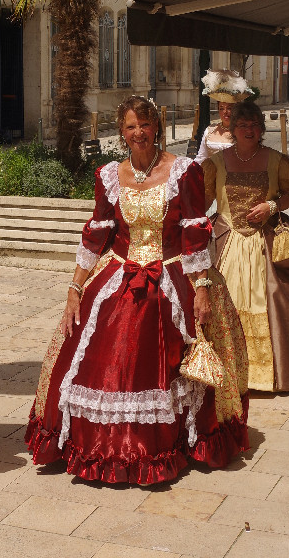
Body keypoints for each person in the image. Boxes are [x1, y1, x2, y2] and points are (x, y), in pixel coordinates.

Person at [26, 96, 249, 485]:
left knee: (164, 357)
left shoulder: (183, 171)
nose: (138, 133)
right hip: (119, 273)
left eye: (144, 125)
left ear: (156, 127)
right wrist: (74, 288)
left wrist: (200, 288)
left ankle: (173, 441)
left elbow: (194, 232)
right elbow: (97, 234)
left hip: (172, 271)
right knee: (100, 354)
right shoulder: (110, 175)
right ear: (122, 132)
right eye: (130, 127)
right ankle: (99, 445)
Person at [202, 100, 289, 392]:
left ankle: (264, 376)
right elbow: (204, 201)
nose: (249, 130)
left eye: (254, 125)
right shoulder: (216, 164)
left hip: (268, 243)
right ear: (232, 129)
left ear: (261, 129)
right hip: (226, 243)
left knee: (278, 300)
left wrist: (272, 206)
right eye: (242, 125)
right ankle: (226, 371)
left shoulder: (275, 160)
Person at [196, 69, 254, 163]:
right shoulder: (210, 131)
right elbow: (201, 158)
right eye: (221, 108)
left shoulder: (243, 131)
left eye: (229, 108)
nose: (225, 112)